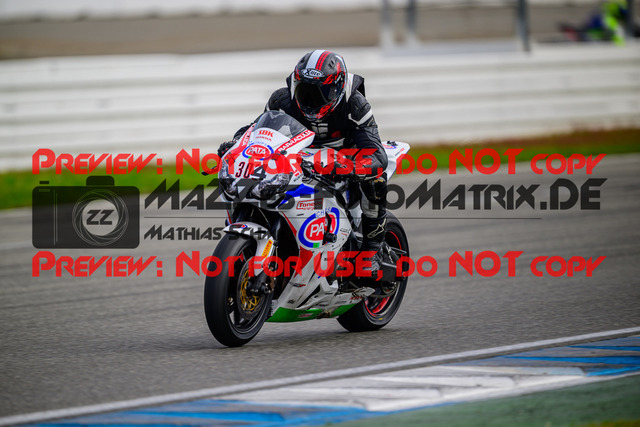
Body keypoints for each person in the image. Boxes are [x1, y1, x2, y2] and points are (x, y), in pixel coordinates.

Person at [218, 50, 388, 278]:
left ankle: (372, 250)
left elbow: (376, 154)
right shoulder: (282, 100)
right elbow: (254, 130)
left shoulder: (355, 104)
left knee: (375, 180)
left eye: (321, 92)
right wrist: (236, 144)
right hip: (299, 157)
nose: (311, 100)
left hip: (344, 159)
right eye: (305, 91)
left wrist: (349, 167)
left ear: (338, 88)